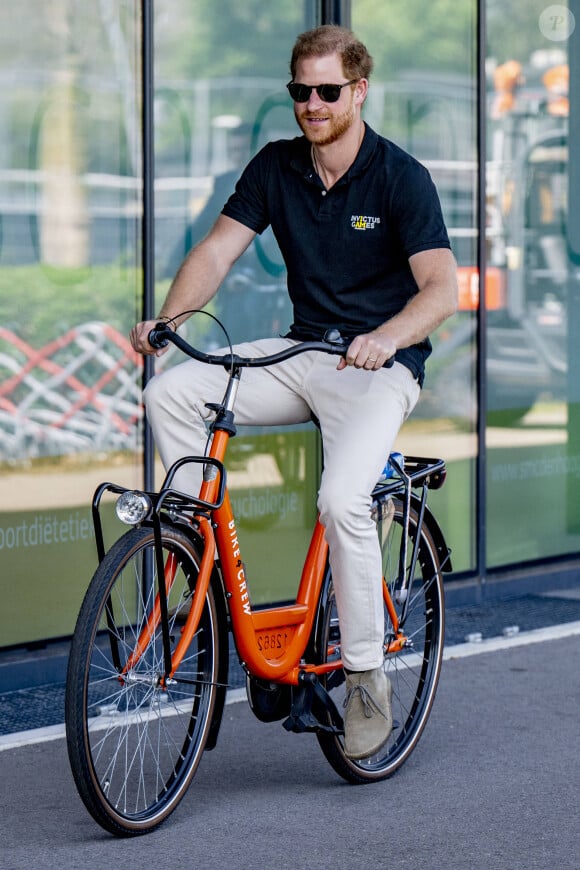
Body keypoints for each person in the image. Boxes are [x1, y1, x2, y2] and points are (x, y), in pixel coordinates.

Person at [130, 24, 458, 761]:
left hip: (378, 369)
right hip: (302, 348)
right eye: (300, 91)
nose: (312, 104)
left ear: (359, 90)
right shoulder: (279, 167)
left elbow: (441, 290)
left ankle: (367, 676)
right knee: (171, 394)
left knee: (343, 499)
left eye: (327, 91)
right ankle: (203, 566)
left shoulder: (399, 176)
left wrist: (389, 336)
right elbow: (217, 248)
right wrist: (169, 320)